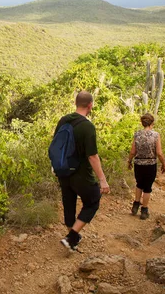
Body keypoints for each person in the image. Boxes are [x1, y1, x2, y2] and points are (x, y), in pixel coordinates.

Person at [53, 91, 110, 251]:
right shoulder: (87, 126)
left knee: (68, 202)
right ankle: (71, 238)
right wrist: (102, 180)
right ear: (90, 105)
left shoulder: (63, 120)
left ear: (76, 103)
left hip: (63, 171)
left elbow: (56, 145)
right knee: (92, 201)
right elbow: (92, 156)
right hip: (81, 173)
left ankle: (71, 237)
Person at [127, 113, 165, 220]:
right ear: (152, 123)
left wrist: (129, 161)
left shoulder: (137, 134)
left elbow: (132, 151)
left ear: (142, 123)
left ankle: (136, 204)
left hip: (138, 164)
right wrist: (164, 164)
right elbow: (159, 152)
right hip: (150, 164)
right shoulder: (155, 135)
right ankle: (144, 210)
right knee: (147, 188)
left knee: (139, 184)